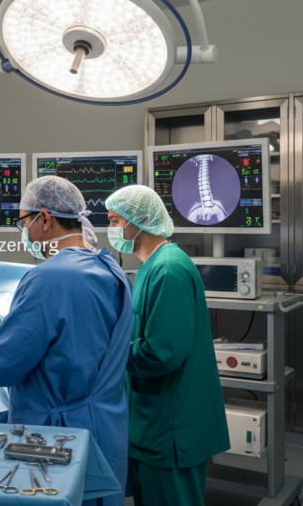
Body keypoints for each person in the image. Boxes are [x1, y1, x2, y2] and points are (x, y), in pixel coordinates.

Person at [0, 176, 132, 506]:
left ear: (44, 218)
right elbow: (78, 338)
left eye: (23, 223)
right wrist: (1, 331)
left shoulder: (47, 277)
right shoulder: (109, 268)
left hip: (57, 440)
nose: (24, 233)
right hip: (106, 427)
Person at [104, 185, 229, 506]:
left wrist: (107, 350)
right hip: (153, 420)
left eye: (115, 220)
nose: (111, 228)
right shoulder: (151, 265)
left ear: (143, 220)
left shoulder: (168, 269)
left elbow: (162, 353)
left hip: (171, 425)